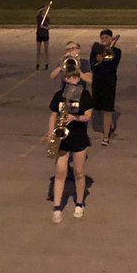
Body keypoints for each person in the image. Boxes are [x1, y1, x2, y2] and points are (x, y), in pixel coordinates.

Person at [45, 71, 93, 224]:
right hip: (62, 138)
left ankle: (79, 203)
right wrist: (51, 131)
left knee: (79, 172)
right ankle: (57, 207)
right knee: (60, 172)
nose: (72, 80)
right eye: (69, 77)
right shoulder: (59, 95)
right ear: (65, 79)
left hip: (78, 137)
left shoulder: (84, 94)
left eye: (75, 77)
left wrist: (74, 117)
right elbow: (53, 114)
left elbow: (88, 116)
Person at [89, 29, 121, 145]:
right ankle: (108, 125)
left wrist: (108, 52)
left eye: (106, 37)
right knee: (97, 108)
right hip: (97, 82)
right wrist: (96, 60)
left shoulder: (116, 51)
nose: (104, 40)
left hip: (109, 82)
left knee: (107, 109)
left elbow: (114, 65)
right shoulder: (96, 49)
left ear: (111, 39)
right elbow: (92, 65)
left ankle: (106, 137)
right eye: (102, 38)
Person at [35, 3, 52, 70]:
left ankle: (46, 64)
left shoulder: (47, 18)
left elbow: (48, 27)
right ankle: (37, 64)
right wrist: (46, 7)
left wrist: (44, 27)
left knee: (46, 50)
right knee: (38, 50)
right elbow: (37, 11)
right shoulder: (38, 17)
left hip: (45, 35)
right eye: (43, 11)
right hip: (39, 35)